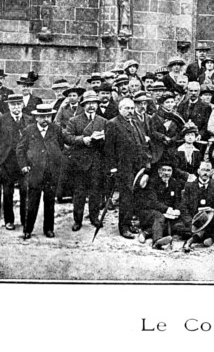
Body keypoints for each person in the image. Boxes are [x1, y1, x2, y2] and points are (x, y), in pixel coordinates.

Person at [16, 103, 66, 239]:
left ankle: (49, 229)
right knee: (32, 202)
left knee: (50, 202)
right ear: (36, 118)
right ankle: (28, 229)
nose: (45, 119)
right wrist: (24, 165)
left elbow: (60, 146)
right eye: (42, 116)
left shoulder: (56, 129)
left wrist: (56, 160)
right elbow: (20, 150)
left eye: (48, 116)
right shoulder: (29, 130)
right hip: (35, 172)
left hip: (51, 172)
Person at [105, 97, 152, 239]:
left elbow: (142, 143)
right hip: (123, 167)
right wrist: (113, 168)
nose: (130, 111)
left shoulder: (136, 122)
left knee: (135, 196)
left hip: (138, 167)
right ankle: (124, 227)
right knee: (126, 198)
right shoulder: (113, 124)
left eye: (132, 108)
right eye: (127, 108)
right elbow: (109, 149)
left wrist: (146, 161)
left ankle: (131, 223)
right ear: (120, 109)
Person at [63, 91, 108, 231]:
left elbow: (109, 141)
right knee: (79, 193)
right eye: (88, 104)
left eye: (94, 103)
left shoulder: (103, 121)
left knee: (96, 192)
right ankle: (77, 220)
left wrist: (103, 138)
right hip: (79, 162)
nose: (91, 106)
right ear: (83, 105)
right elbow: (67, 137)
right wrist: (83, 139)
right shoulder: (74, 120)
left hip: (96, 161)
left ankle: (94, 218)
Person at [0, 93, 31, 230]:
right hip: (7, 161)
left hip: (24, 161)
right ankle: (9, 220)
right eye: (13, 104)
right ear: (9, 106)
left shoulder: (29, 120)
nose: (16, 107)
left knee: (25, 190)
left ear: (22, 105)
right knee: (7, 192)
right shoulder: (1, 120)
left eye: (18, 104)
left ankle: (25, 219)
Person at [134, 160, 184, 250]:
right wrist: (167, 209)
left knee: (174, 224)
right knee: (159, 217)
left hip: (167, 213)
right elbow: (153, 202)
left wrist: (177, 210)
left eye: (169, 171)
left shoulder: (174, 183)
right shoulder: (152, 182)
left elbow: (177, 200)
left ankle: (145, 233)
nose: (166, 173)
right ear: (159, 171)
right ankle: (157, 241)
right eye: (164, 170)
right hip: (149, 211)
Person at [180, 160, 214, 252]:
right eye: (203, 170)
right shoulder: (189, 186)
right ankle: (210, 237)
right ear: (198, 171)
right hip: (195, 220)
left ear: (211, 171)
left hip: (211, 220)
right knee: (179, 227)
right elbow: (184, 206)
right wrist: (191, 222)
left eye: (208, 170)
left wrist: (212, 211)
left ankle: (191, 241)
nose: (205, 173)